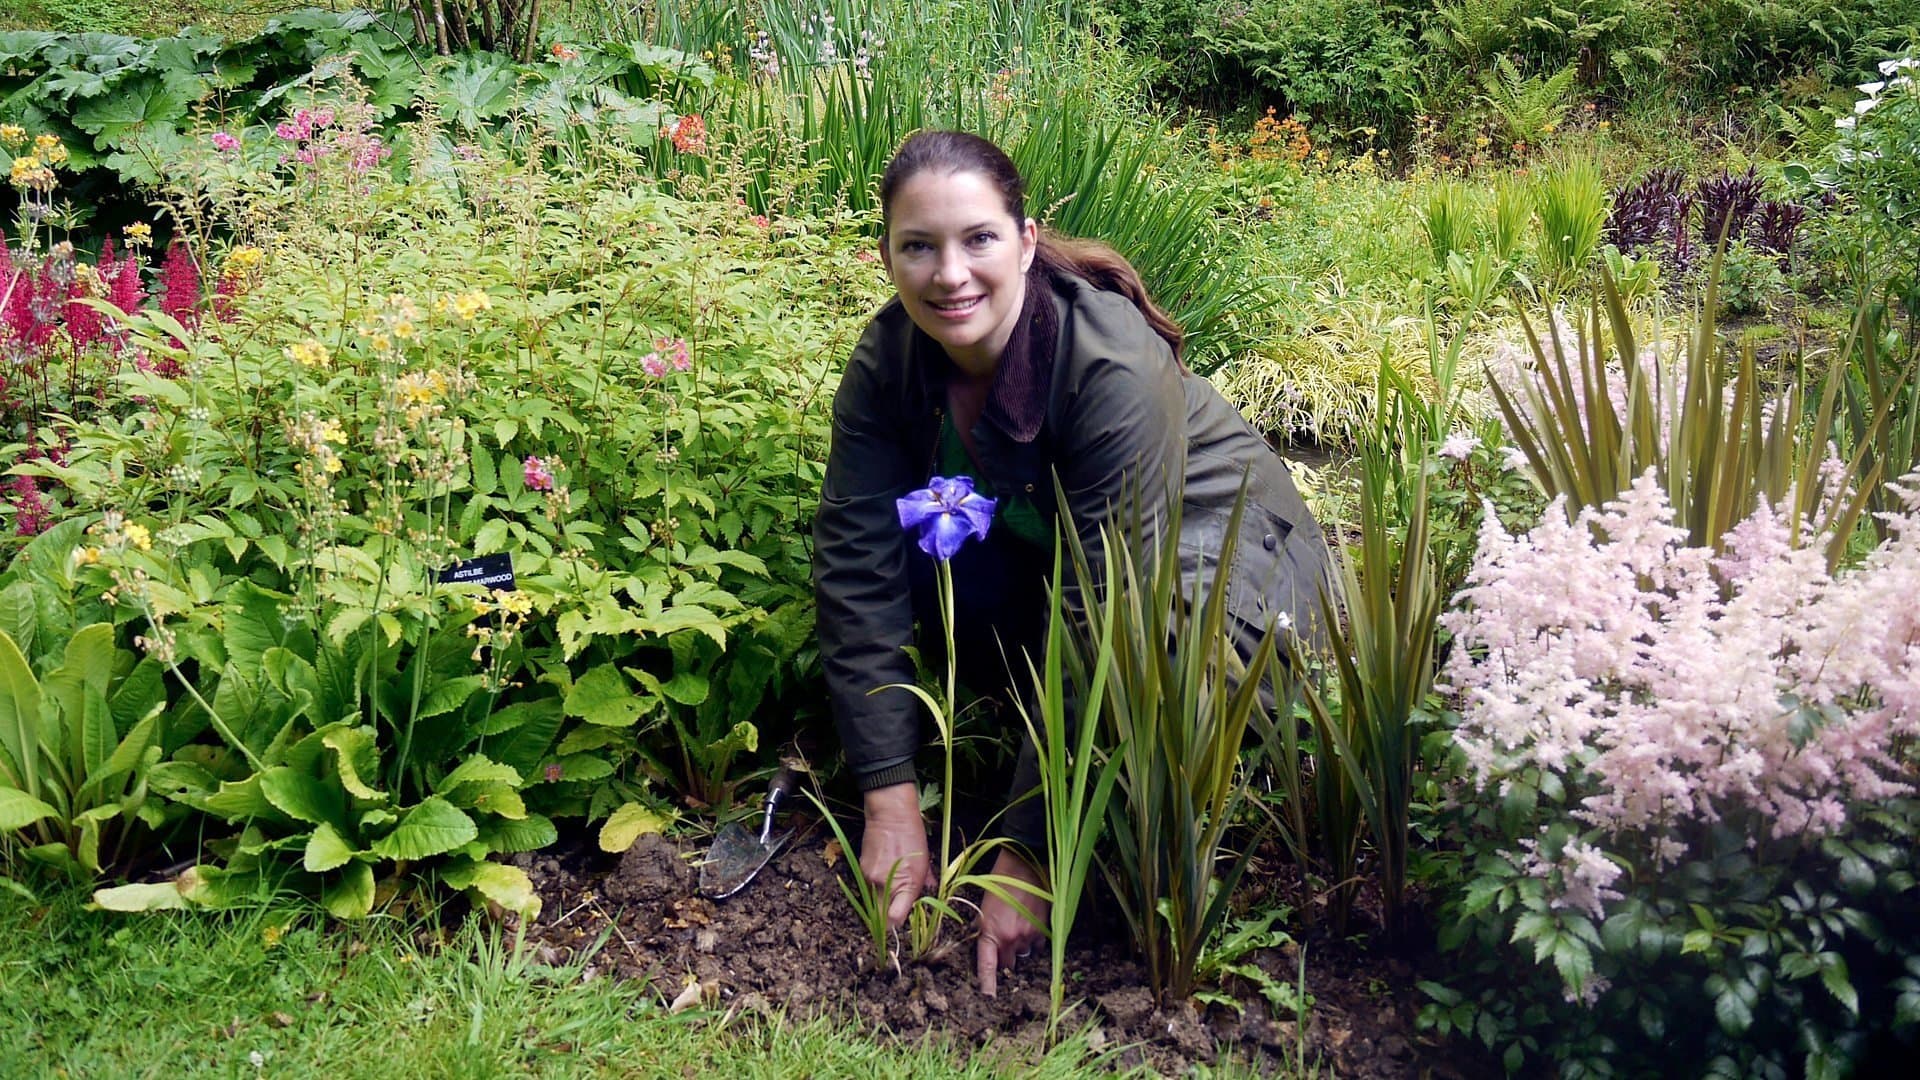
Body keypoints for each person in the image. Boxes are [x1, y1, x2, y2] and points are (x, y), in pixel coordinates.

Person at [812, 130, 1330, 996]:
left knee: (1165, 657)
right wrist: (888, 793)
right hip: (1076, 559)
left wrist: (1029, 851)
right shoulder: (889, 358)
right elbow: (854, 564)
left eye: (978, 239)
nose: (950, 274)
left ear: (1025, 240)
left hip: (1220, 561)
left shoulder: (1108, 362)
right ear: (887, 256)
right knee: (916, 548)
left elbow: (1108, 614)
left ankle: (1122, 819)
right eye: (919, 246)